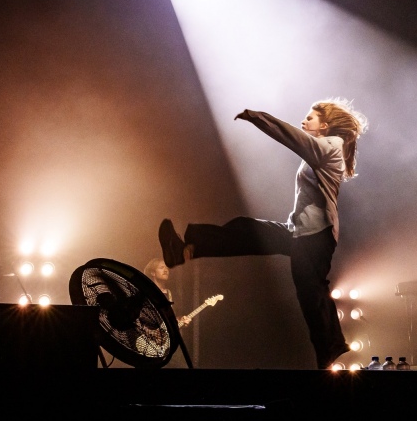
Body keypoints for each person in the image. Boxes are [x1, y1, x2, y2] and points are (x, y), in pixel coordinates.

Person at [159, 97, 368, 369]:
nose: (304, 121)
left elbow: (294, 139)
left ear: (325, 126)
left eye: (310, 118)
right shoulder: (325, 148)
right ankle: (187, 250)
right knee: (248, 229)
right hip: (300, 232)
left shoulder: (331, 146)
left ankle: (330, 355)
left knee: (311, 292)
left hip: (316, 236)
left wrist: (260, 118)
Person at [143, 257, 191, 327]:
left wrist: (181, 319)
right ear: (153, 273)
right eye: (161, 267)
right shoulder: (146, 293)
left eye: (167, 268)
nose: (165, 270)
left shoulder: (173, 295)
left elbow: (175, 316)